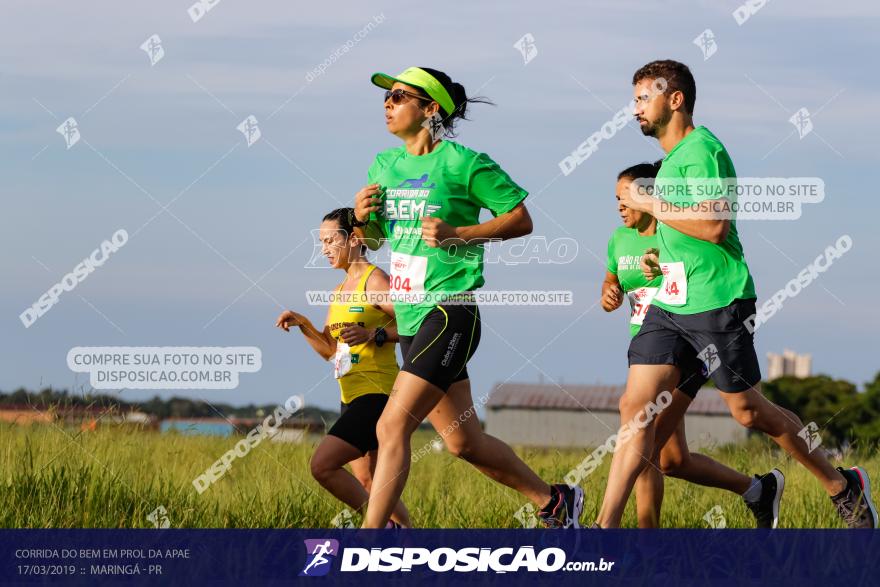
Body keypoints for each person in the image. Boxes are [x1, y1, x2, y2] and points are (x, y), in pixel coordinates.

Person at [595, 59, 876, 529]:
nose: (634, 109)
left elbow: (713, 225)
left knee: (748, 412)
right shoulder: (667, 166)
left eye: (644, 97)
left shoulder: (703, 150)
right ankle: (603, 533)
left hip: (718, 302)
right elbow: (681, 233)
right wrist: (653, 263)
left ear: (675, 99)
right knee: (636, 412)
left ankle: (842, 485)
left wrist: (649, 203)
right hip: (668, 305)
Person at [353, 66, 582, 528]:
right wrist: (362, 220)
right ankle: (555, 502)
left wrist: (460, 234)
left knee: (390, 426)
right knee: (464, 442)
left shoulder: (464, 163)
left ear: (430, 108)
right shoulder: (384, 165)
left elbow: (520, 219)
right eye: (386, 97)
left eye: (398, 96)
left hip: (449, 310)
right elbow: (378, 236)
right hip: (412, 316)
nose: (387, 104)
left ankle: (368, 545)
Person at [604, 161, 783, 528]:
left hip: (685, 348)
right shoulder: (618, 239)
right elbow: (612, 280)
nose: (620, 205)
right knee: (672, 460)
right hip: (646, 352)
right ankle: (757, 489)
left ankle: (643, 544)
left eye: (627, 197)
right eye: (617, 199)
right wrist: (609, 292)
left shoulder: (674, 233)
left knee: (644, 441)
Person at [276, 207, 410, 528]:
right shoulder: (339, 291)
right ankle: (407, 540)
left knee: (322, 465)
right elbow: (332, 352)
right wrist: (304, 324)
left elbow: (418, 323)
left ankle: (381, 529)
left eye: (329, 240)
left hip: (377, 394)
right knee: (370, 483)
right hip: (349, 396)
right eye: (320, 243)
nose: (324, 249)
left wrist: (375, 334)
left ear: (352, 238)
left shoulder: (375, 280)